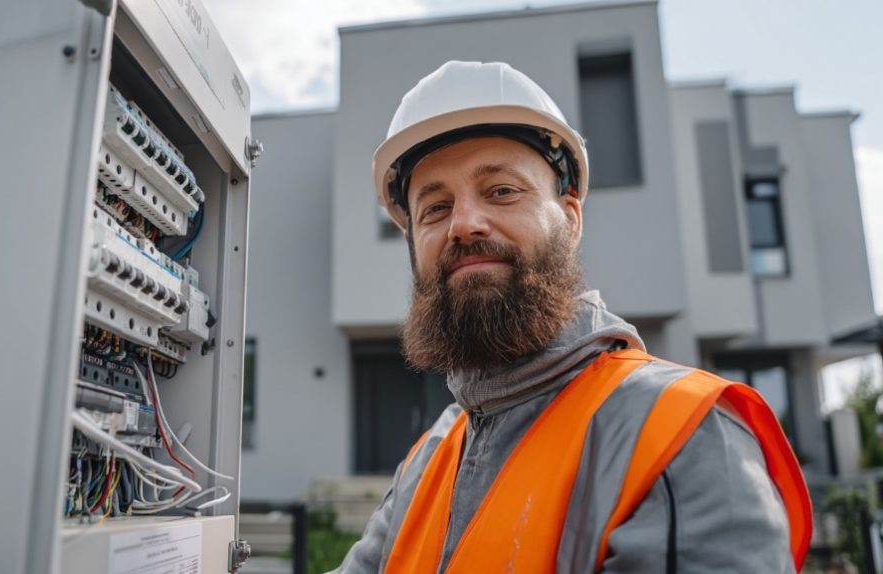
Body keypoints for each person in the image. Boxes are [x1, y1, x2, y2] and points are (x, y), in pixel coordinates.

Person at [332, 61, 812, 573]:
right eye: (435, 208)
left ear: (570, 217)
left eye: (501, 191)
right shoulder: (428, 460)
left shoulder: (680, 435)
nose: (465, 224)